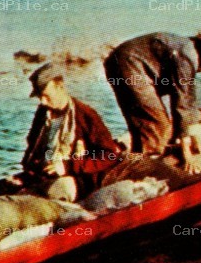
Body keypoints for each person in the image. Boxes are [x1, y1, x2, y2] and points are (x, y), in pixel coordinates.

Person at [102, 27, 201, 155]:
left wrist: (185, 128)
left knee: (145, 124)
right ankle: (149, 168)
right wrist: (185, 138)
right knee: (156, 125)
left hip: (123, 62)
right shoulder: (187, 56)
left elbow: (179, 98)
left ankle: (142, 158)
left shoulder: (184, 47)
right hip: (129, 65)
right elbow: (183, 102)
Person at [20, 62, 124, 201]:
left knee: (55, 192)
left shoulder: (85, 114)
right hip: (44, 174)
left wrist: (67, 166)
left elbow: (110, 155)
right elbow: (33, 148)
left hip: (76, 178)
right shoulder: (43, 114)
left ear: (60, 87)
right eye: (39, 97)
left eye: (46, 96)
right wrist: (28, 173)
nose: (43, 102)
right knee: (2, 188)